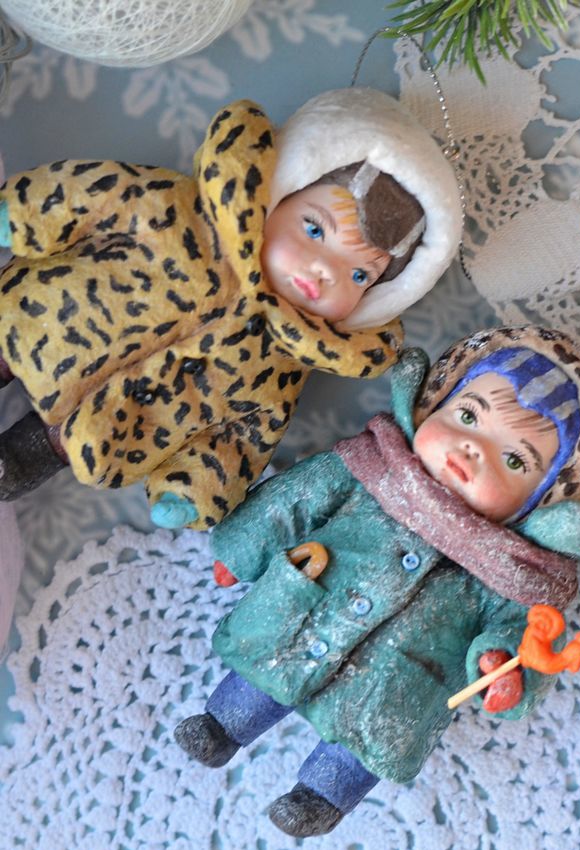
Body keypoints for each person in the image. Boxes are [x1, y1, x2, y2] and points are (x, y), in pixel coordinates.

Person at [173, 326, 580, 837]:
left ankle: (321, 797)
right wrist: (243, 549)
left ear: (543, 502)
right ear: (433, 401)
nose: (472, 448)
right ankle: (223, 724)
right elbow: (294, 501)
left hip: (394, 687)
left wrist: (503, 668)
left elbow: (527, 637)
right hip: (300, 614)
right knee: (265, 668)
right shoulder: (369, 469)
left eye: (514, 460)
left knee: (365, 740)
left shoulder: (517, 576)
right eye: (468, 416)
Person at [0, 87, 462, 527]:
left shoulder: (280, 363)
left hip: (104, 428)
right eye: (314, 229)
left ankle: (19, 460)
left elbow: (241, 441)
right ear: (276, 195)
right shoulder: (178, 212)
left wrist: (191, 490)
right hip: (34, 321)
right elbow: (102, 198)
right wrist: (24, 211)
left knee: (45, 452)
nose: (325, 270)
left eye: (359, 275)